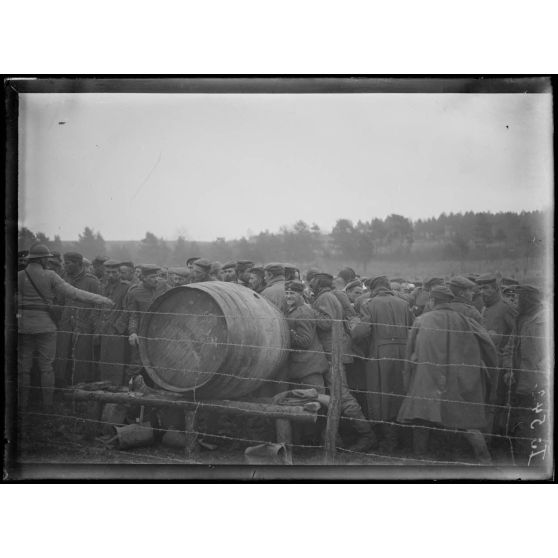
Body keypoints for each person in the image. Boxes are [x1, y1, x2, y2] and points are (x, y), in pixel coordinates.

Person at [397, 285, 498, 464]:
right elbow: (488, 345)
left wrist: (407, 380)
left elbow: (409, 354)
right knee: (467, 421)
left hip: (426, 378)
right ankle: (485, 459)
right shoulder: (465, 320)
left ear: (433, 300)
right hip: (455, 379)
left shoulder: (421, 320)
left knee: (422, 417)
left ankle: (420, 457)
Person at [17, 244, 113, 409]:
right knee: (47, 367)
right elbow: (75, 293)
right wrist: (102, 299)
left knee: (23, 367)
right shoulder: (51, 275)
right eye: (47, 259)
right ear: (42, 259)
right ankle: (48, 405)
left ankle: (22, 404)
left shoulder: (18, 276)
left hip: (23, 325)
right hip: (45, 326)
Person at [310, 271, 377, 451]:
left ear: (318, 285)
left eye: (312, 283)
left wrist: (310, 311)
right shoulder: (331, 296)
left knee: (343, 396)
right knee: (336, 395)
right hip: (335, 351)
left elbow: (327, 323)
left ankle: (367, 435)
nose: (310, 287)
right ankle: (334, 438)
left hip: (332, 353)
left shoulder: (324, 297)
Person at [354, 275, 414, 451]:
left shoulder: (369, 304)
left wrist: (353, 327)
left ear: (373, 289)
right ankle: (405, 439)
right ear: (388, 286)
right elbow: (413, 326)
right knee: (401, 393)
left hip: (380, 354)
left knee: (381, 396)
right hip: (403, 354)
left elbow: (361, 333)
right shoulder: (403, 303)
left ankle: (389, 440)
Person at [502, 285, 548, 466]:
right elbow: (510, 347)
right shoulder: (520, 319)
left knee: (537, 423)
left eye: (518, 298)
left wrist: (540, 371)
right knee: (522, 422)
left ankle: (536, 460)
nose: (514, 302)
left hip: (537, 383)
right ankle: (524, 458)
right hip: (519, 382)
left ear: (528, 299)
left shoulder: (544, 320)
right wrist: (508, 369)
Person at [55, 252, 106, 387]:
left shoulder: (92, 281)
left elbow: (99, 306)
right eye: (64, 263)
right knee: (62, 355)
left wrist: (96, 329)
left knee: (82, 357)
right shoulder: (63, 279)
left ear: (78, 263)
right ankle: (62, 387)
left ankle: (80, 388)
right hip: (66, 324)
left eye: (69, 263)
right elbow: (60, 301)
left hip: (85, 325)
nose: (65, 266)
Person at [477, 272, 517, 440]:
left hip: (498, 363)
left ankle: (493, 439)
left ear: (496, 289)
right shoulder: (485, 307)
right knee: (484, 399)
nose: (482, 292)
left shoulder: (505, 307)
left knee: (495, 401)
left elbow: (517, 334)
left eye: (485, 288)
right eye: (480, 288)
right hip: (484, 361)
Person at [126, 264, 169, 384]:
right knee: (137, 364)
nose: (156, 279)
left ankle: (160, 393)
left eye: (157, 276)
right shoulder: (135, 292)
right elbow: (133, 315)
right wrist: (133, 332)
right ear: (143, 277)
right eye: (152, 277)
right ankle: (130, 392)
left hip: (162, 333)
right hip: (143, 334)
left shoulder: (164, 286)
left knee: (161, 365)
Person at [96, 260, 131, 385]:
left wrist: (117, 328)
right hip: (102, 330)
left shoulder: (126, 287)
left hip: (116, 332)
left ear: (119, 273)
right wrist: (98, 327)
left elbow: (127, 310)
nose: (111, 275)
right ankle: (103, 387)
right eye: (108, 272)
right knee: (102, 361)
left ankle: (115, 388)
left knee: (116, 361)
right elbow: (97, 308)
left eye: (114, 272)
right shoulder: (101, 286)